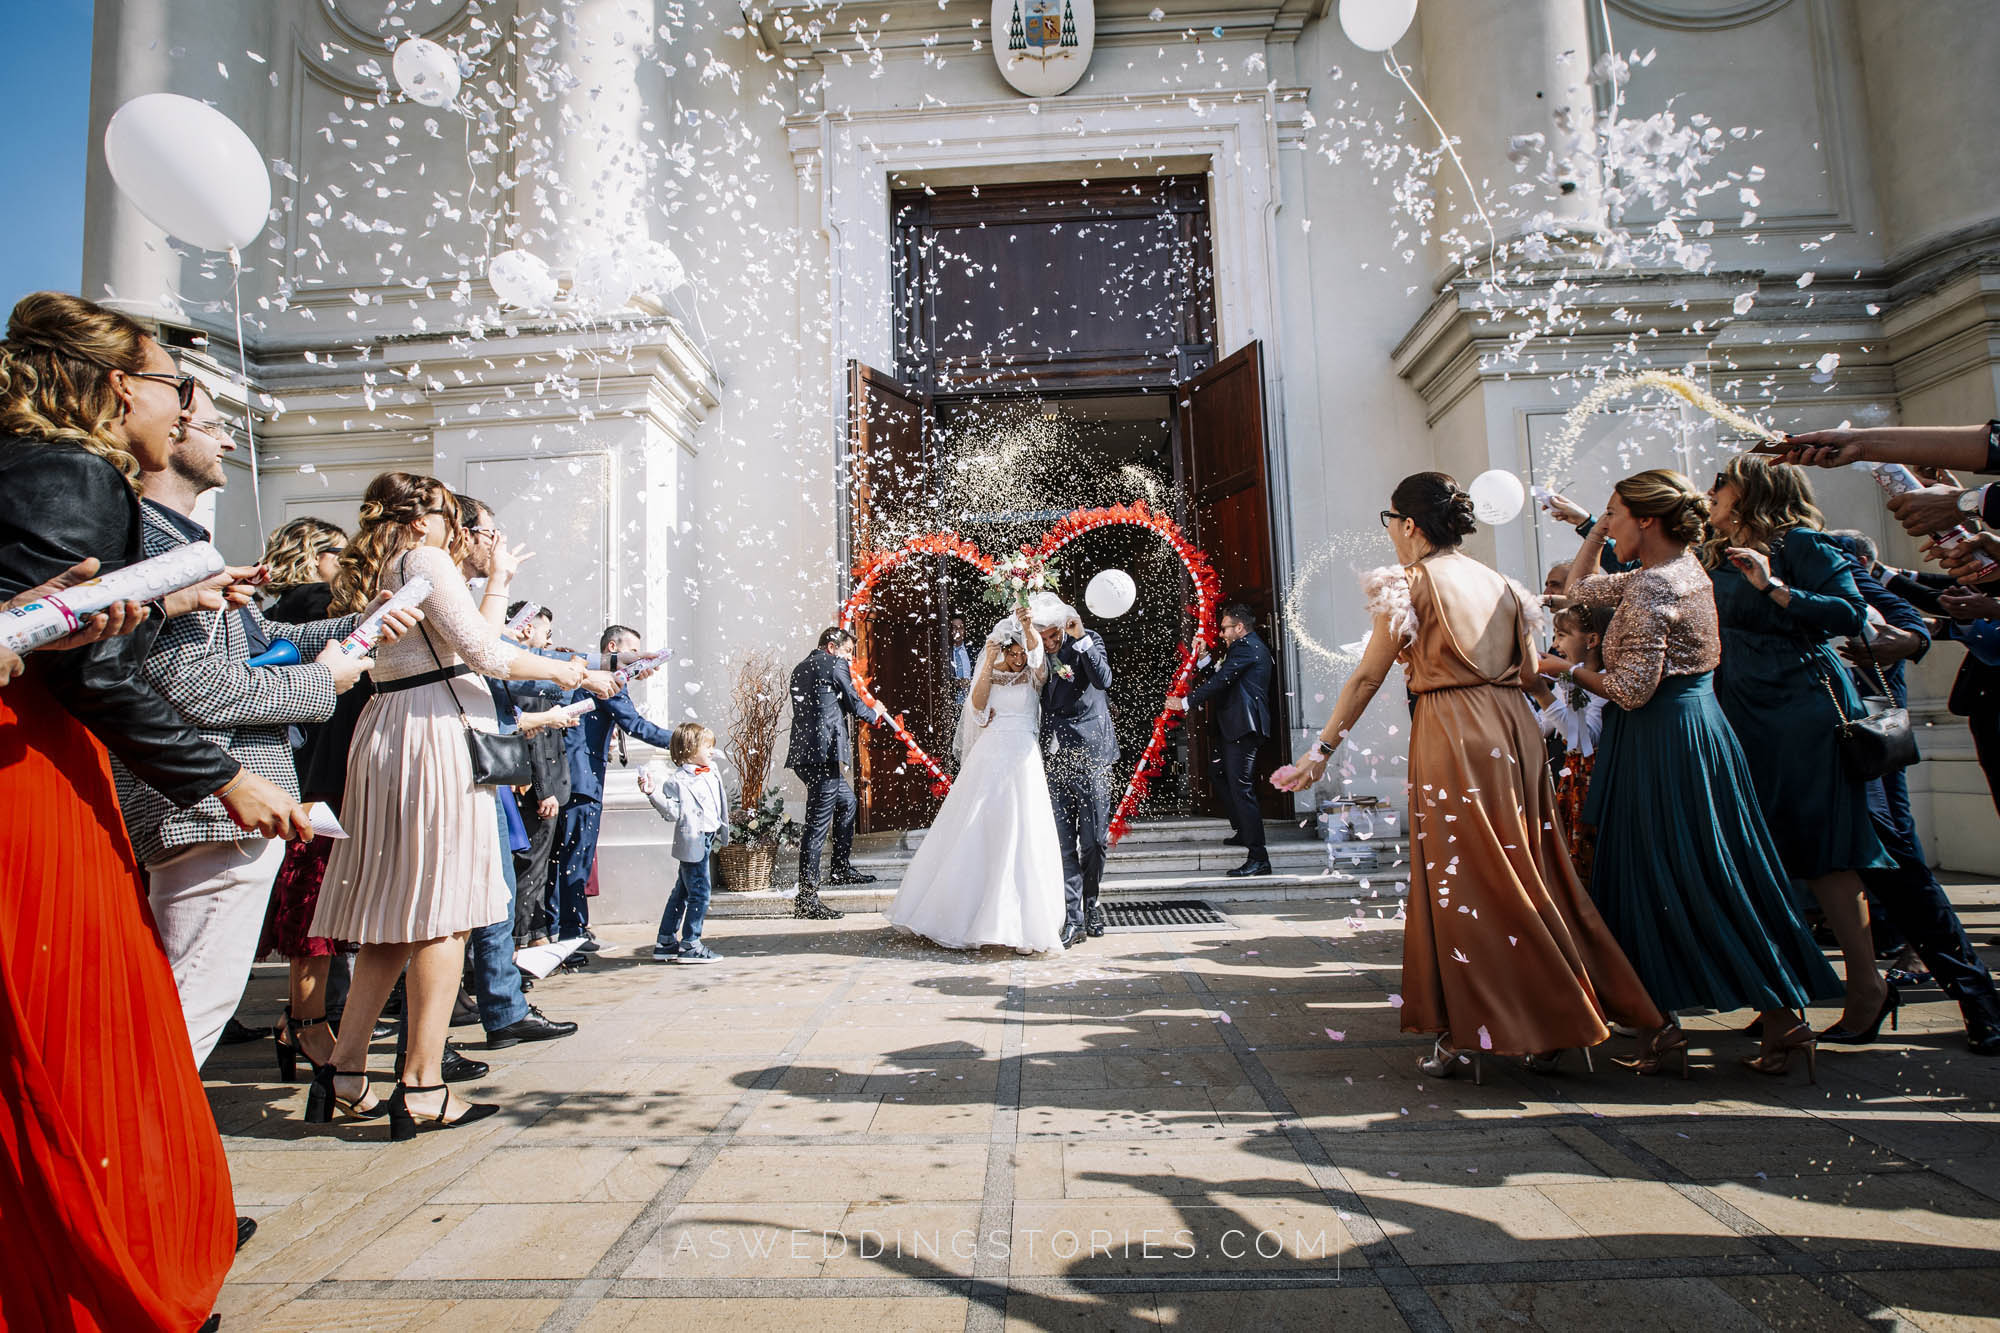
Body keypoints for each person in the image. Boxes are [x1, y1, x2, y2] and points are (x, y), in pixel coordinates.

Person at [0, 291, 299, 1331]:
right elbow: (86, 672)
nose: (186, 409)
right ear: (120, 385)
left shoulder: (34, 465)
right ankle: (115, 1271)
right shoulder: (73, 467)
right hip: (35, 771)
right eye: (177, 387)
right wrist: (225, 780)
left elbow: (57, 624)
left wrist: (157, 602)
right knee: (87, 1036)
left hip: (41, 755)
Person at [1280, 472, 1661, 1078]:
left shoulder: (1407, 583)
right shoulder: (1503, 584)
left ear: (1409, 525)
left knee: (1466, 879)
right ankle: (1558, 1018)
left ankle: (1475, 1028)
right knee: (1530, 868)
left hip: (1452, 730)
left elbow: (1368, 675)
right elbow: (1531, 672)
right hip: (1513, 729)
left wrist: (1320, 751)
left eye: (1390, 521)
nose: (1391, 533)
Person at [114, 386, 408, 1068]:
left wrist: (359, 626)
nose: (227, 440)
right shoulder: (154, 541)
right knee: (192, 1004)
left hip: (219, 804)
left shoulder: (184, 540)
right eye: (213, 426)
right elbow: (192, 686)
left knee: (190, 997)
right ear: (171, 430)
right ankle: (142, 1129)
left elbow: (262, 641)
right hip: (209, 807)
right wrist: (321, 683)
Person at [306, 472, 588, 1137]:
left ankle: (344, 1070)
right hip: (433, 737)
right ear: (421, 519)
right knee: (446, 912)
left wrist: (498, 581)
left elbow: (465, 646)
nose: (459, 527)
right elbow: (487, 655)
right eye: (450, 515)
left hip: (390, 729)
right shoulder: (425, 558)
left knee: (396, 918)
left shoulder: (380, 564)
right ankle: (422, 1083)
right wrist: (564, 670)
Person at [1556, 469, 1842, 1078]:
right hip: (1693, 732)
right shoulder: (1678, 570)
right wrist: (1594, 533)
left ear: (1646, 519)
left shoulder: (1654, 586)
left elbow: (1630, 691)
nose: (1608, 525)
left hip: (1663, 743)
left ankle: (1666, 1028)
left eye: (1615, 514)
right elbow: (1579, 592)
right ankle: (1772, 1021)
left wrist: (1563, 670)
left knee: (1662, 874)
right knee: (1706, 872)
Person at [1703, 455, 1896, 1043]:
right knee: (1762, 853)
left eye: (1721, 483)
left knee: (1823, 851)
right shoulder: (1714, 552)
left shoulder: (1800, 544)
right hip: (1742, 711)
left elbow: (1851, 613)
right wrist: (1593, 527)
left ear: (1753, 492)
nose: (1711, 492)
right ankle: (1781, 994)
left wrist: (1774, 587)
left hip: (1801, 709)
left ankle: (1867, 987)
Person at [453, 493, 583, 1050]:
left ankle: (502, 1007)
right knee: (469, 898)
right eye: (490, 533)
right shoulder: (443, 590)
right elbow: (490, 658)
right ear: (461, 534)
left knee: (497, 893)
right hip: (457, 760)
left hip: (487, 764)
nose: (498, 543)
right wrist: (567, 677)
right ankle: (439, 1028)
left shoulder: (462, 594)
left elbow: (494, 666)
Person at [886, 607, 1066, 954]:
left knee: (1022, 830)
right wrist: (988, 663)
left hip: (1023, 756)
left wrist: (1028, 626)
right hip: (990, 754)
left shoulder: (1034, 674)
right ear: (1002, 651)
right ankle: (963, 917)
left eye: (1021, 653)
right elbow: (978, 706)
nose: (1018, 659)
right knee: (978, 828)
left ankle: (1023, 926)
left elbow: (1038, 659)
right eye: (1012, 654)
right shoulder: (992, 672)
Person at [257, 517, 358, 1082]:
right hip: (320, 766)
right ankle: (312, 1021)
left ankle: (306, 1019)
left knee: (316, 898)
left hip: (294, 764)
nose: (347, 562)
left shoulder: (276, 610)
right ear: (315, 555)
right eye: (340, 552)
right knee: (317, 899)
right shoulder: (317, 604)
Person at [552, 622, 674, 942]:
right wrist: (682, 740)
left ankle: (561, 927)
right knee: (577, 855)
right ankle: (571, 932)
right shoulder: (606, 680)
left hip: (568, 777)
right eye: (633, 650)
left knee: (565, 855)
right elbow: (635, 725)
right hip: (583, 778)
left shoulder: (582, 675)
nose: (638, 657)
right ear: (613, 649)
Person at [785, 626, 885, 919]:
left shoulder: (800, 668)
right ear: (831, 647)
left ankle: (840, 869)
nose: (850, 658)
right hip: (824, 754)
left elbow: (826, 704)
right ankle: (807, 899)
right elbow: (853, 702)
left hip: (805, 756)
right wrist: (876, 713)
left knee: (848, 802)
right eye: (848, 651)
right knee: (816, 827)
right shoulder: (833, 664)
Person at [1169, 602, 1275, 876]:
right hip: (1234, 727)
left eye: (1225, 628)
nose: (1221, 633)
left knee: (1242, 789)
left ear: (1239, 627)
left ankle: (1259, 857)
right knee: (1218, 774)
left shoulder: (1246, 647)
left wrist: (1185, 702)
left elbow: (1221, 681)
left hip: (1244, 727)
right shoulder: (1242, 648)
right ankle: (1243, 830)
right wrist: (1204, 658)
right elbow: (1222, 678)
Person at [1036, 594, 1117, 946]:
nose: (1050, 643)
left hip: (1092, 755)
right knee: (1064, 842)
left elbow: (1103, 680)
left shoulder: (1088, 640)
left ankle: (1092, 902)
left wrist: (1081, 637)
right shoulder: (1036, 654)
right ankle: (1074, 918)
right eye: (1043, 638)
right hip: (1055, 757)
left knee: (1095, 841)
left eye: (1054, 636)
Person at [505, 603, 573, 945]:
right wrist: (544, 790)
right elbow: (534, 741)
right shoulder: (523, 676)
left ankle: (534, 934)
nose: (549, 640)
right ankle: (519, 942)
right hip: (535, 789)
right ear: (527, 628)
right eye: (546, 632)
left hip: (539, 783)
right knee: (530, 868)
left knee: (536, 867)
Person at [641, 721, 731, 962]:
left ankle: (665, 941)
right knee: (700, 893)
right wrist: (652, 793)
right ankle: (691, 944)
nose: (711, 751)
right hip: (693, 841)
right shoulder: (677, 781)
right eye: (706, 746)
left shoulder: (711, 770)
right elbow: (671, 812)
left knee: (681, 891)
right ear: (689, 749)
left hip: (708, 837)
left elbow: (717, 801)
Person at [1538, 604, 1610, 887]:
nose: (1555, 645)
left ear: (1591, 640)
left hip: (1596, 782)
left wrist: (1541, 693)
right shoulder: (1566, 679)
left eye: (1561, 635)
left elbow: (1584, 740)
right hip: (1572, 780)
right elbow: (1544, 725)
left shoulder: (1605, 682)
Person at [949, 613, 974, 712]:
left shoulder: (973, 652)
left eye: (961, 628)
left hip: (971, 705)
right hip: (951, 705)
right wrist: (956, 682)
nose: (958, 631)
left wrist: (970, 682)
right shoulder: (945, 652)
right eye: (954, 628)